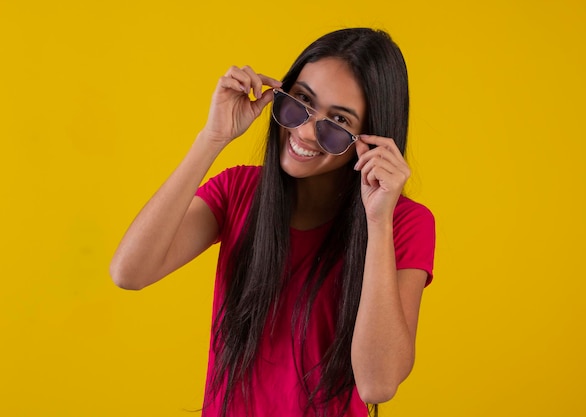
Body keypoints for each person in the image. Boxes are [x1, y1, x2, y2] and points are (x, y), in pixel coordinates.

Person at [110, 27, 436, 417]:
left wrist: (378, 220)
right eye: (300, 101)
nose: (304, 131)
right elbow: (129, 272)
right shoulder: (239, 190)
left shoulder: (404, 223)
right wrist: (212, 137)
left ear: (370, 138)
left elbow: (378, 383)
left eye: (338, 121)